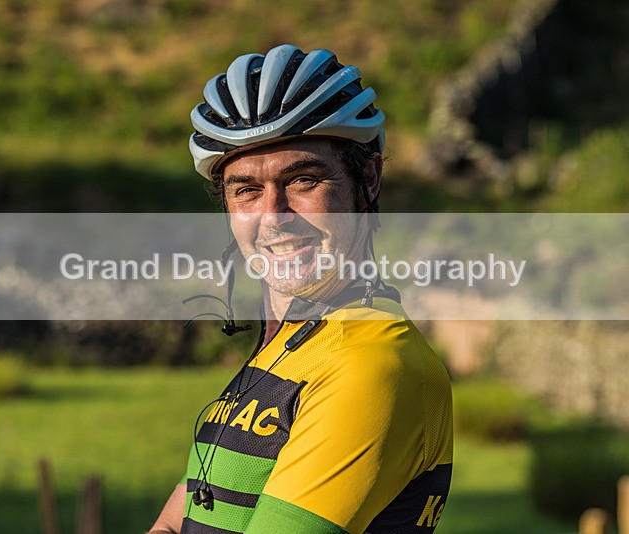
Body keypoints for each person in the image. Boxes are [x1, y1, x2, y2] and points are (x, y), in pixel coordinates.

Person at [149, 44, 453, 534]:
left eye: (304, 180)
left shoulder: (370, 365)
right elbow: (173, 524)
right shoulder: (288, 348)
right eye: (246, 190)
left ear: (367, 179)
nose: (274, 216)